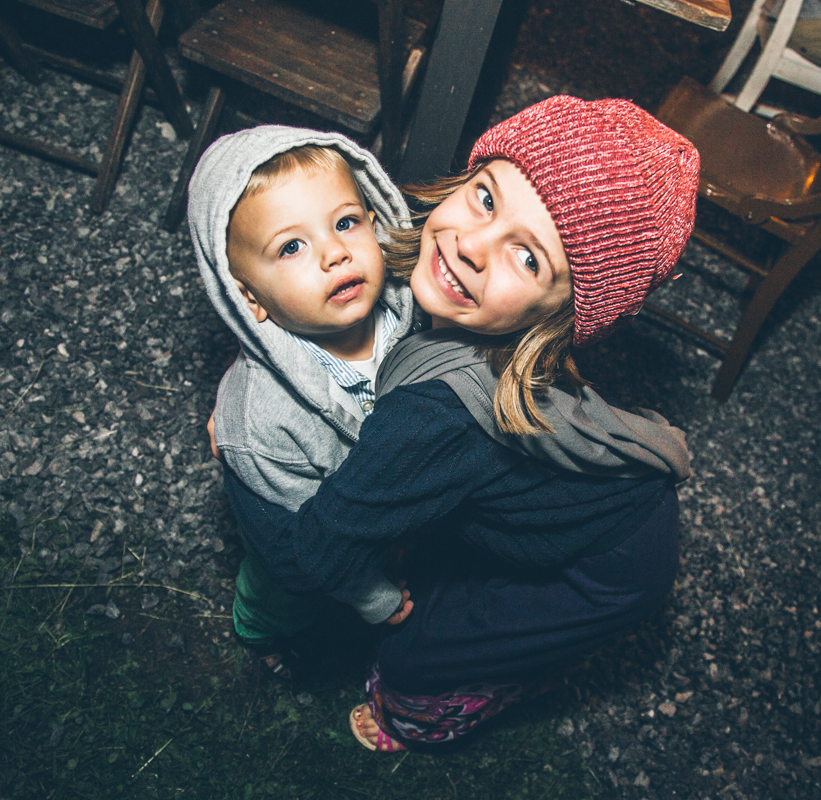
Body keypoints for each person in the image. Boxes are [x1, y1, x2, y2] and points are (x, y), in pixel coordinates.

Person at [216, 95, 700, 751]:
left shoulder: (438, 418)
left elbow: (316, 555)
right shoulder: (444, 274)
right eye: (486, 198)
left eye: (529, 258)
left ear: (560, 321)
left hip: (607, 569)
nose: (471, 246)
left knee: (424, 656)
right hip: (603, 506)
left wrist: (243, 462)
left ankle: (423, 716)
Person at [188, 127, 418, 679]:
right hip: (294, 537)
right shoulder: (263, 424)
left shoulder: (415, 314)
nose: (335, 252)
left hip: (378, 511)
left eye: (345, 222)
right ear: (250, 299)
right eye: (291, 246)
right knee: (282, 591)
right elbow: (305, 545)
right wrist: (372, 596)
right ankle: (256, 630)